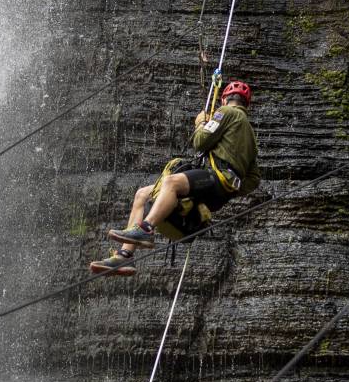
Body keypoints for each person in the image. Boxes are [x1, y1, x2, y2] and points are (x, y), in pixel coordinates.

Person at [90, 80, 260, 275]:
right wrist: (233, 187)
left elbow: (200, 141)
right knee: (142, 195)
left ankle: (146, 228)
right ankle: (123, 257)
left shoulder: (226, 112)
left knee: (171, 182)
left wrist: (201, 123)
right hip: (218, 187)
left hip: (215, 179)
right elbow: (254, 178)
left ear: (224, 99)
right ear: (246, 104)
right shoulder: (251, 138)